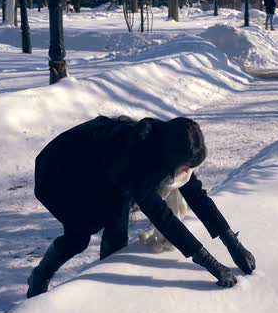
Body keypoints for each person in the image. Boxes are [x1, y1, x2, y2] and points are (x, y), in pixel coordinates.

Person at [27, 116, 256, 298]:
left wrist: (232, 242)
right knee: (80, 235)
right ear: (170, 160)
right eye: (186, 167)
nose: (188, 172)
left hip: (102, 168)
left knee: (117, 220)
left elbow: (198, 197)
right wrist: (209, 262)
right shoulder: (139, 164)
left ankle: (110, 291)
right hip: (59, 173)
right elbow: (163, 217)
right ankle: (40, 277)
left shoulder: (168, 147)